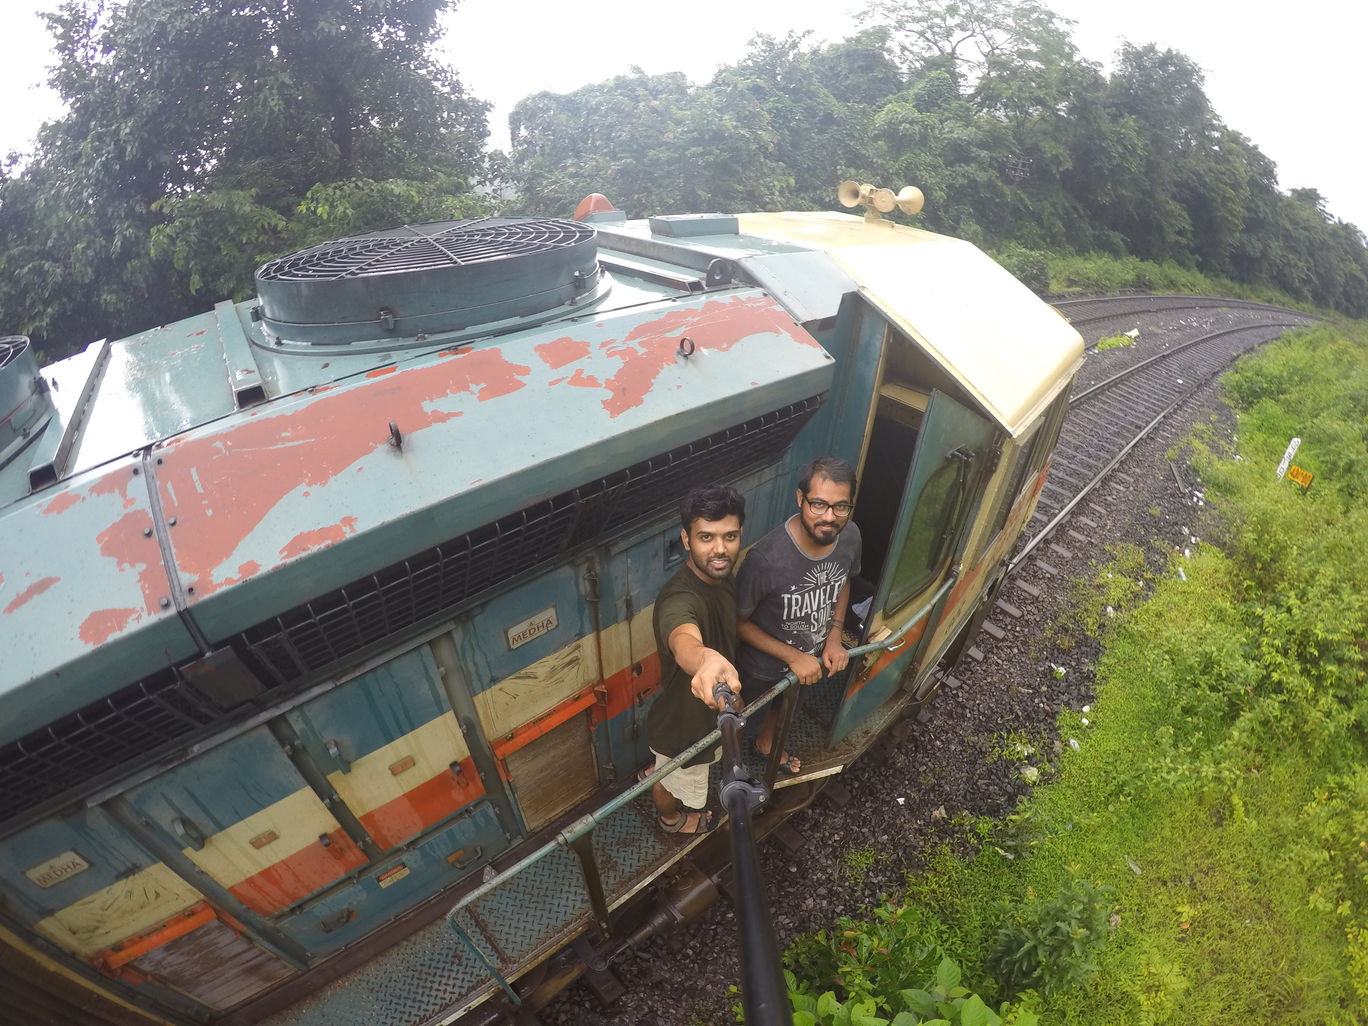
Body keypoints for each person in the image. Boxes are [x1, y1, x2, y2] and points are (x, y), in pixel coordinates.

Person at [736, 456, 862, 774]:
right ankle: (732, 767)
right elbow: (737, 624)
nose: (829, 517)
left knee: (788, 705)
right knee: (738, 721)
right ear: (800, 499)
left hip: (811, 657)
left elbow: (843, 581)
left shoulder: (850, 537)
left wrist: (834, 638)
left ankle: (766, 745)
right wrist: (793, 656)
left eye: (841, 507)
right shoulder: (765, 560)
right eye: (818, 504)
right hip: (760, 670)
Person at [643, 483, 746, 834]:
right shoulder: (678, 598)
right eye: (706, 538)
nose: (720, 549)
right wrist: (705, 662)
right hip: (685, 727)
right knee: (668, 782)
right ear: (686, 540)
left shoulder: (722, 576)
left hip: (707, 714)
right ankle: (670, 820)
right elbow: (684, 639)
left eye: (729, 536)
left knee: (669, 770)